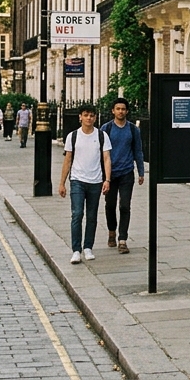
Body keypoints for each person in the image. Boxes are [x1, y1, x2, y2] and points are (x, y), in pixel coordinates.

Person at [58, 105, 112, 264]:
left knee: (91, 216)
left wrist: (107, 180)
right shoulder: (72, 136)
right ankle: (76, 250)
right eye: (86, 115)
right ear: (80, 117)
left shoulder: (102, 136)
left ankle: (88, 247)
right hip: (77, 180)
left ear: (95, 118)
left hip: (95, 181)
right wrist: (62, 183)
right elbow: (67, 160)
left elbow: (107, 158)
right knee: (77, 214)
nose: (89, 118)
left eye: (92, 115)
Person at [101, 98, 145, 253]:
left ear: (127, 111)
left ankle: (122, 239)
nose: (120, 111)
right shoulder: (106, 129)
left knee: (125, 206)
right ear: (113, 111)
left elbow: (138, 151)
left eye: (123, 109)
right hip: (110, 174)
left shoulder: (133, 130)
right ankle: (112, 232)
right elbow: (100, 153)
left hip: (127, 172)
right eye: (117, 109)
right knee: (110, 205)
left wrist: (140, 171)